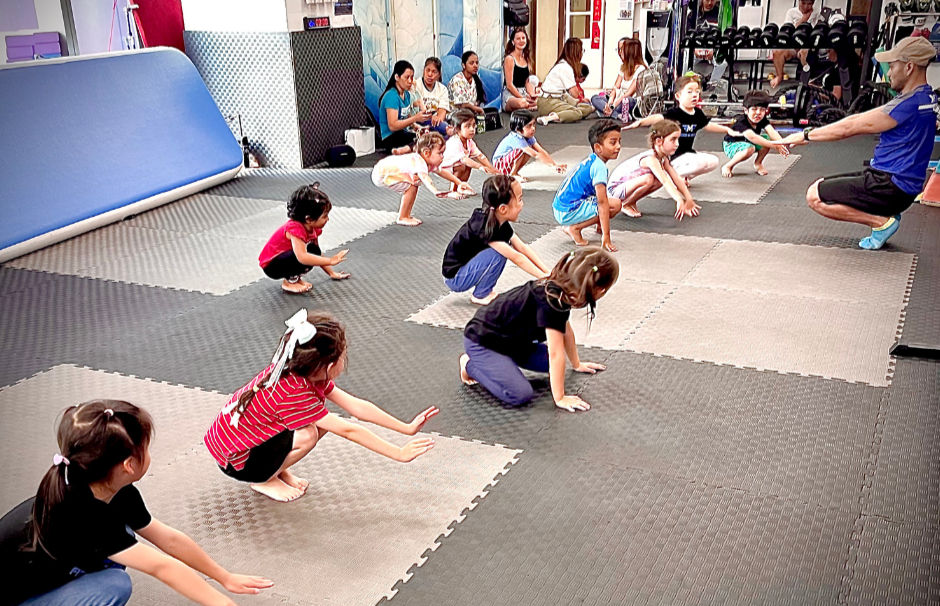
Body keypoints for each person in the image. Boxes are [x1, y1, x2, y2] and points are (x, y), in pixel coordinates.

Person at [0, 400, 273, 606]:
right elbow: (162, 567)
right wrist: (224, 603)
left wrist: (223, 576)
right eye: (147, 448)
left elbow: (166, 538)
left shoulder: (113, 488)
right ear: (129, 464)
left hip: (47, 565)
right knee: (114, 585)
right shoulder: (83, 512)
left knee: (125, 539)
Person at [205, 310, 438, 503]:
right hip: (236, 461)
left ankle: (276, 468)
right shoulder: (294, 391)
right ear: (328, 364)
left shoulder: (302, 372)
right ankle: (263, 479)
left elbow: (356, 407)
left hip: (242, 442)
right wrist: (398, 453)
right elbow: (349, 429)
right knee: (309, 433)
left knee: (320, 423)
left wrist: (405, 428)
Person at [782, 37, 939, 250]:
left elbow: (851, 126)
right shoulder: (928, 98)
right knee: (824, 183)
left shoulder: (907, 105)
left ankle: (881, 222)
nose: (889, 72)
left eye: (892, 66)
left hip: (889, 186)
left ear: (909, 67)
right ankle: (886, 215)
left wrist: (805, 135)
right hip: (905, 188)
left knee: (814, 195)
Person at [459, 247, 619, 410]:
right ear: (600, 290)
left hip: (512, 341)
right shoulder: (552, 301)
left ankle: (501, 363)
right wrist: (560, 398)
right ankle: (469, 365)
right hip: (482, 341)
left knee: (551, 366)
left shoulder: (565, 291)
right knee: (520, 394)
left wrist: (576, 363)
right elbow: (555, 353)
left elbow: (565, 330)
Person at [443, 175, 550, 306]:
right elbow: (517, 257)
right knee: (499, 253)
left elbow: (522, 247)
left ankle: (484, 290)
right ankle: (481, 294)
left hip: (466, 269)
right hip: (455, 277)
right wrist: (543, 279)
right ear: (503, 209)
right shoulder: (484, 227)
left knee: (502, 250)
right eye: (520, 199)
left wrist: (547, 273)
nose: (522, 204)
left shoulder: (497, 219)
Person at [624, 74, 731, 184]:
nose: (694, 95)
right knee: (699, 163)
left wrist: (727, 130)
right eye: (689, 92)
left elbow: (707, 125)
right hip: (675, 157)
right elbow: (657, 117)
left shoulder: (698, 113)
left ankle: (684, 178)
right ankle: (671, 176)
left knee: (713, 161)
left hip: (688, 154)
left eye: (697, 92)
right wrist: (640, 122)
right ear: (678, 96)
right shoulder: (674, 113)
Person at [258, 183, 350, 294]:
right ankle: (289, 282)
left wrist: (331, 273)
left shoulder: (312, 228)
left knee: (313, 250)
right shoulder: (295, 228)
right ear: (309, 219)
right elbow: (302, 257)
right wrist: (330, 261)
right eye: (324, 216)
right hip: (271, 266)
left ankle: (295, 279)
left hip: (284, 259)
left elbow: (317, 253)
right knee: (305, 255)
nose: (328, 219)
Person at [372, 131, 474, 226]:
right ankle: (403, 217)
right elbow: (426, 179)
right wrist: (436, 191)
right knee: (412, 185)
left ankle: (405, 215)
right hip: (382, 173)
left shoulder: (428, 161)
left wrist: (459, 182)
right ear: (426, 153)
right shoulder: (419, 162)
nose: (442, 157)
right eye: (440, 153)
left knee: (415, 181)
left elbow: (442, 172)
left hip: (385, 169)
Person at [607, 119, 701, 220]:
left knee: (656, 181)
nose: (677, 144)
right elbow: (665, 181)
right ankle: (626, 204)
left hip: (624, 188)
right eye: (673, 139)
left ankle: (630, 202)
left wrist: (689, 199)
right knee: (649, 179)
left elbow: (675, 178)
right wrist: (679, 199)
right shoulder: (651, 159)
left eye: (678, 139)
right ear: (659, 141)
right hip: (614, 190)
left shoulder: (663, 158)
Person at [553, 119, 623, 251]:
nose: (618, 146)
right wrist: (606, 238)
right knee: (615, 205)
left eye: (619, 142)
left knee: (609, 202)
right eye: (613, 143)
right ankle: (574, 228)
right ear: (598, 147)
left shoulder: (592, 159)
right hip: (567, 211)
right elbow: (603, 203)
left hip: (561, 206)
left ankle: (585, 225)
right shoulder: (599, 167)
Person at [721, 90, 790, 178]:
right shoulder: (741, 122)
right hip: (731, 145)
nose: (758, 113)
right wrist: (776, 146)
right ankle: (728, 166)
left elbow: (772, 132)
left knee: (767, 138)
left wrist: (782, 143)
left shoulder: (762, 119)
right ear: (746, 110)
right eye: (754, 109)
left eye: (762, 110)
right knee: (751, 148)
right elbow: (753, 138)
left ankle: (758, 163)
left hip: (748, 142)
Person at [492, 110, 567, 181]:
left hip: (507, 162)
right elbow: (536, 155)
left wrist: (554, 164)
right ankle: (512, 174)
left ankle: (514, 172)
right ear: (518, 129)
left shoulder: (528, 136)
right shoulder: (516, 138)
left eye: (533, 124)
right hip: (499, 164)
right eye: (529, 126)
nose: (533, 128)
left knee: (528, 150)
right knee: (523, 150)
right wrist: (553, 166)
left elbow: (540, 150)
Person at [378, 60, 433, 154]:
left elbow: (406, 116)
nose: (410, 81)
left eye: (412, 78)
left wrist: (417, 127)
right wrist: (415, 118)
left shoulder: (406, 94)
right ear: (397, 77)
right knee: (422, 142)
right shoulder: (391, 96)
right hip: (390, 138)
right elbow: (393, 126)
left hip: (402, 133)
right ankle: (405, 149)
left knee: (428, 138)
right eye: (407, 77)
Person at [538, 38, 595, 123]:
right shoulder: (565, 67)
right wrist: (579, 98)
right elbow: (574, 93)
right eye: (582, 50)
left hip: (558, 97)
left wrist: (580, 101)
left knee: (588, 108)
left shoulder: (564, 64)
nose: (582, 53)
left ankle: (564, 113)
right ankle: (550, 118)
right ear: (576, 52)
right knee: (577, 113)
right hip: (548, 102)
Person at [591, 37, 647, 122]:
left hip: (630, 101)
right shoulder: (623, 67)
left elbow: (629, 93)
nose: (620, 53)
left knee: (626, 101)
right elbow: (615, 87)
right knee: (595, 98)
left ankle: (604, 112)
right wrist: (610, 102)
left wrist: (613, 106)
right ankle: (617, 115)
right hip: (618, 99)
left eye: (622, 50)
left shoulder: (641, 69)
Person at [440, 109, 499, 186]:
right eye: (467, 126)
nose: (472, 129)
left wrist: (492, 169)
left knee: (468, 165)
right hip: (443, 168)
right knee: (462, 166)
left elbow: (480, 156)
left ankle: (462, 186)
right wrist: (480, 166)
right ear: (457, 129)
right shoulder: (455, 142)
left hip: (457, 165)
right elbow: (464, 160)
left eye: (474, 125)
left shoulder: (469, 141)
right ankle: (453, 190)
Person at [687, 0, 728, 87]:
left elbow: (722, 36)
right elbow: (688, 35)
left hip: (713, 49)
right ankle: (687, 85)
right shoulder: (693, 15)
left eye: (712, 0)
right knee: (685, 61)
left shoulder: (720, 15)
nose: (709, 3)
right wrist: (694, 49)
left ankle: (711, 85)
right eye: (707, 0)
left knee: (722, 63)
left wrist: (714, 50)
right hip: (696, 48)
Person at [412, 57, 451, 136]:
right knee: (447, 130)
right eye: (428, 70)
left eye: (434, 72)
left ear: (439, 74)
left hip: (435, 122)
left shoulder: (442, 89)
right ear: (424, 71)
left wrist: (438, 119)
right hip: (419, 120)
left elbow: (442, 111)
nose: (430, 74)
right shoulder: (416, 85)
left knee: (446, 132)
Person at [502, 27, 539, 112]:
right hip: (511, 94)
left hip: (523, 92)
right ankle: (528, 106)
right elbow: (509, 85)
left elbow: (527, 82)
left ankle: (529, 106)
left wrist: (531, 95)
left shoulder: (526, 58)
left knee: (539, 102)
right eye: (518, 39)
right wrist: (522, 97)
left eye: (523, 38)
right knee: (522, 103)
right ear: (513, 42)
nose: (521, 41)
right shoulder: (509, 58)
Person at [449, 51, 486, 115]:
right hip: (456, 115)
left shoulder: (475, 80)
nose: (475, 66)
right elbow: (461, 104)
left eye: (477, 63)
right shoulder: (457, 80)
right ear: (463, 65)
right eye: (471, 63)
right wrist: (476, 109)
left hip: (471, 113)